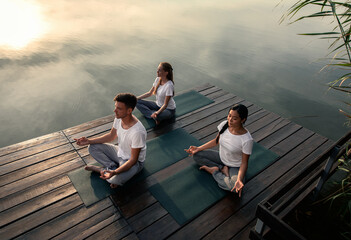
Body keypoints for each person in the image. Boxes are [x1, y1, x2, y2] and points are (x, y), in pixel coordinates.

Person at [75, 93, 147, 188]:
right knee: (92, 147)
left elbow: (133, 160)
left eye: (119, 108)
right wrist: (89, 141)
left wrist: (115, 172)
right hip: (119, 152)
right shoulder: (119, 118)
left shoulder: (137, 132)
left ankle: (103, 170)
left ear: (129, 110)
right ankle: (110, 168)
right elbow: (111, 136)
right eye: (115, 107)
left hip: (133, 162)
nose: (115, 111)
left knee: (115, 180)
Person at [185, 104, 253, 197]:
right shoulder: (224, 125)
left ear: (243, 120)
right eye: (229, 116)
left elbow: (244, 163)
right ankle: (221, 168)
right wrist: (198, 148)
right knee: (197, 155)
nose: (230, 120)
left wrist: (239, 180)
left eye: (234, 118)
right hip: (221, 158)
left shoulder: (246, 140)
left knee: (234, 187)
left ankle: (214, 171)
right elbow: (216, 141)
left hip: (235, 166)